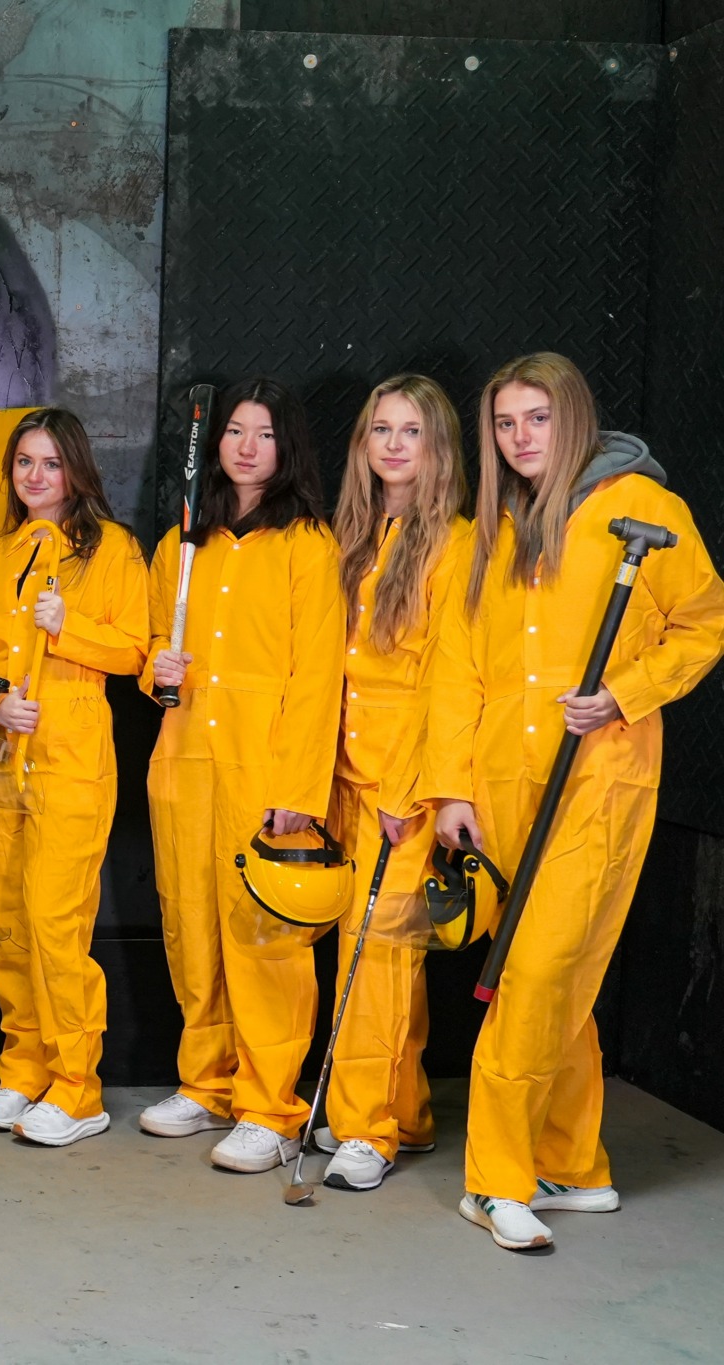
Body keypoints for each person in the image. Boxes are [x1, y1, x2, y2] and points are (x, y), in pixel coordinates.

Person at [429, 353, 724, 1251]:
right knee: (560, 978)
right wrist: (450, 786)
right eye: (505, 423)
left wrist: (624, 693)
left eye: (538, 418)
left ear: (575, 419)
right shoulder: (493, 528)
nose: (520, 437)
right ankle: (571, 1162)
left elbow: (704, 623)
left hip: (596, 780)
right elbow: (457, 668)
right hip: (501, 784)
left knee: (538, 970)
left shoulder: (644, 510)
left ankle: (496, 1180)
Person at [140, 377, 343, 1172]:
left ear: (287, 447)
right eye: (233, 431)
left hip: (264, 770)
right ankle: (207, 1082)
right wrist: (155, 669)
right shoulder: (181, 545)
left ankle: (271, 1106)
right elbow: (154, 655)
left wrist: (298, 791)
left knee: (264, 941)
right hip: (186, 760)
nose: (246, 447)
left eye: (264, 433)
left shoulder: (308, 545)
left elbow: (318, 677)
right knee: (191, 927)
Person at [0, 408, 148, 1147]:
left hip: (72, 758)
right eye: (24, 462)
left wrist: (68, 625)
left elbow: (134, 652)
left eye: (51, 463)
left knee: (55, 924)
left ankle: (76, 1086)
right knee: (7, 924)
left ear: (76, 470)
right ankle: (24, 1069)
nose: (36, 476)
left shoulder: (112, 550)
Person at [315, 375, 472, 1193]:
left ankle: (364, 1128)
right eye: (382, 429)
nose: (395, 445)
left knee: (373, 959)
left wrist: (412, 789)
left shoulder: (457, 544)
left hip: (398, 786)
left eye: (412, 431)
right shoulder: (352, 535)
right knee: (379, 955)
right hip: (339, 776)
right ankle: (405, 1114)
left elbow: (449, 681)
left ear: (439, 446)